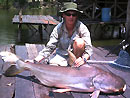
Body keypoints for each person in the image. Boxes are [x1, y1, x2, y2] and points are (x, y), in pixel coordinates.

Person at [27, 2, 93, 67]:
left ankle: (77, 65)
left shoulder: (82, 28)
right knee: (53, 66)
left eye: (74, 14)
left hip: (77, 57)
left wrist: (84, 59)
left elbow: (89, 49)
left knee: (80, 42)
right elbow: (50, 47)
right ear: (63, 15)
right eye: (68, 14)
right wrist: (36, 60)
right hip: (61, 55)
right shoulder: (58, 28)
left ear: (77, 16)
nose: (71, 17)